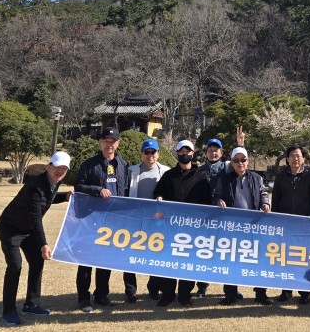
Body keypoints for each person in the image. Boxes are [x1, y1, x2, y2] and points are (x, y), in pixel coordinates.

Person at [0, 151, 71, 326]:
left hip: (28, 229)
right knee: (15, 266)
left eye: (64, 168)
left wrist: (65, 196)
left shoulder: (53, 182)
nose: (60, 171)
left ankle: (31, 304)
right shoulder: (35, 186)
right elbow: (36, 216)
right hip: (11, 229)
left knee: (37, 261)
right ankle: (8, 311)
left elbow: (48, 198)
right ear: (49, 166)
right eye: (57, 167)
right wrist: (43, 244)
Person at [73, 127, 129, 312]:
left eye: (112, 141)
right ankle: (83, 298)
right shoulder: (89, 164)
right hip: (91, 219)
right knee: (86, 260)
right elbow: (79, 186)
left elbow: (125, 191)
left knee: (105, 259)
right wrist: (97, 190)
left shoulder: (123, 165)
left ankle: (101, 295)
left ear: (118, 144)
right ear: (100, 143)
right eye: (106, 141)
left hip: (112, 220)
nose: (109, 144)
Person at [153, 139, 213, 307]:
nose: (184, 154)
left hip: (193, 228)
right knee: (169, 261)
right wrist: (159, 197)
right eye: (181, 151)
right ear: (177, 153)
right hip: (171, 227)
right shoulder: (169, 175)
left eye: (188, 151)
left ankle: (185, 296)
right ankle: (167, 295)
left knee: (188, 263)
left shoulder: (202, 176)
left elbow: (207, 202)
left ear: (193, 153)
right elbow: (158, 192)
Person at [212, 146, 272, 305]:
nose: (240, 163)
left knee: (258, 260)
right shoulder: (224, 179)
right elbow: (216, 195)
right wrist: (219, 201)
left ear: (248, 161)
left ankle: (261, 294)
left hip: (253, 226)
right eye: (236, 160)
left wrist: (265, 203)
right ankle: (230, 294)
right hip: (232, 227)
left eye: (243, 160)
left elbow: (263, 193)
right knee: (230, 260)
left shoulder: (257, 178)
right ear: (231, 162)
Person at [195, 126, 244, 298]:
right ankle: (202, 286)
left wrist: (240, 145)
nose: (213, 153)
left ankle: (232, 289)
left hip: (224, 216)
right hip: (204, 217)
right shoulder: (199, 170)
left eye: (216, 150)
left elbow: (240, 161)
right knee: (203, 252)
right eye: (210, 150)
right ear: (206, 152)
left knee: (228, 253)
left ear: (222, 153)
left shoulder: (228, 167)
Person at [123, 138, 168, 304]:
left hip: (156, 220)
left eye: (153, 152)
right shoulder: (130, 171)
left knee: (155, 254)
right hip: (135, 219)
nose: (150, 155)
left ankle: (154, 289)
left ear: (158, 154)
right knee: (130, 255)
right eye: (147, 152)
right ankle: (130, 291)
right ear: (141, 154)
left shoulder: (166, 171)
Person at [270, 145, 310, 305]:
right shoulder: (280, 176)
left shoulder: (309, 177)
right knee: (285, 258)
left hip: (303, 224)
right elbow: (275, 199)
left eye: (298, 155)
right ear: (287, 158)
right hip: (285, 223)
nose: (295, 158)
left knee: (303, 258)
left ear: (303, 158)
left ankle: (305, 292)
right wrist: (275, 220)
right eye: (292, 155)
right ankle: (286, 291)